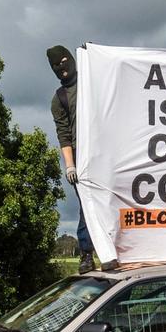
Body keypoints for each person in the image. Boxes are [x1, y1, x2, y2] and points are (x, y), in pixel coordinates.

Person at [47, 45, 119, 274]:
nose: (62, 67)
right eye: (56, 65)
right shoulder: (59, 99)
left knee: (113, 198)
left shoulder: (92, 81)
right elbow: (63, 134)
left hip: (106, 149)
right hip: (81, 155)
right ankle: (88, 255)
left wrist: (94, 55)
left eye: (65, 60)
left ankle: (117, 249)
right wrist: (69, 165)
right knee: (87, 206)